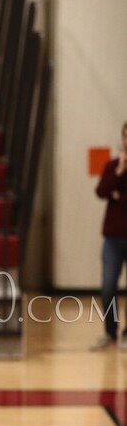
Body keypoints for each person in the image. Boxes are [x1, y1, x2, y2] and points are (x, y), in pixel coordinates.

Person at [91, 122, 127, 350]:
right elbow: (101, 191)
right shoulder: (113, 165)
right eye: (126, 136)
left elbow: (117, 198)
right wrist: (118, 174)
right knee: (107, 286)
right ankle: (110, 332)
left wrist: (118, 197)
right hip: (113, 237)